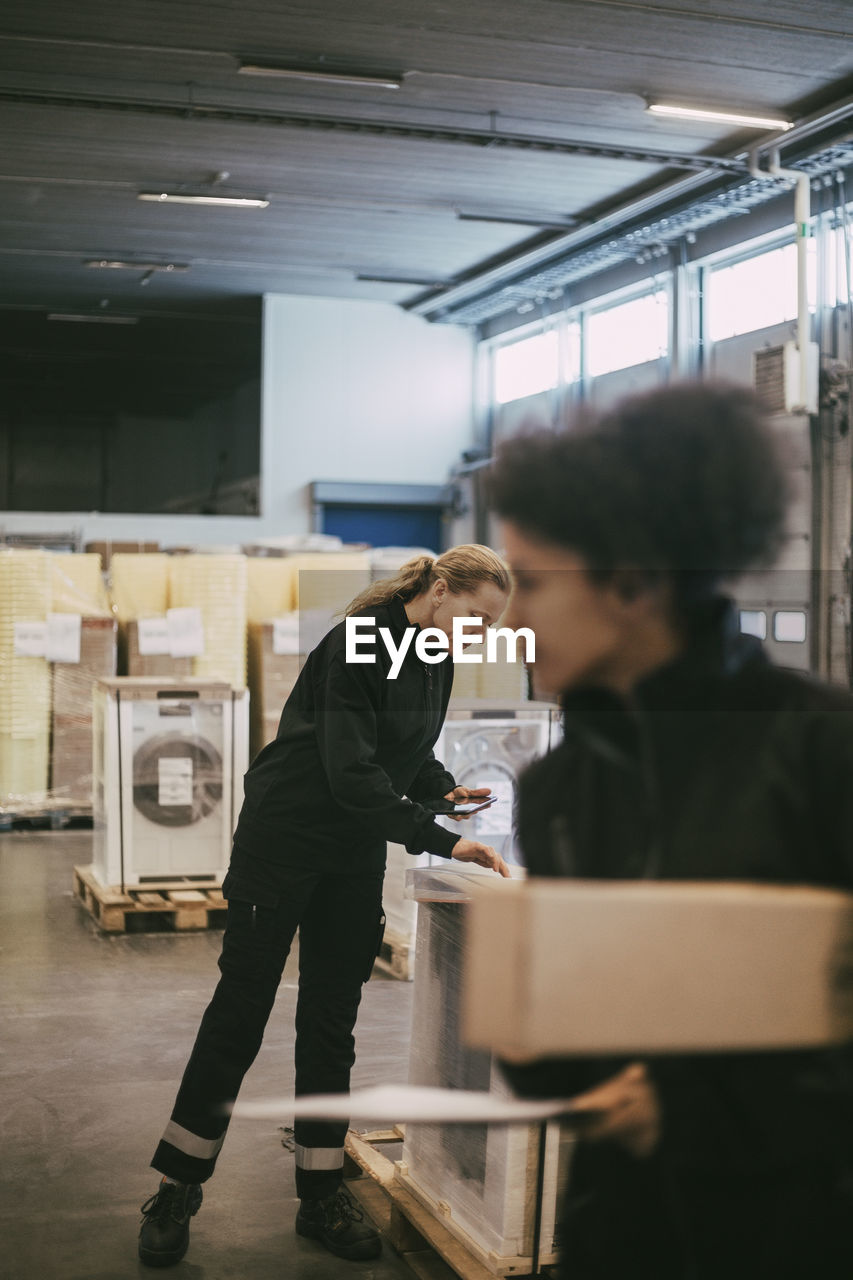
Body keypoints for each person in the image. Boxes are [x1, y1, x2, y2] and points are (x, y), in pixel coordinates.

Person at [488, 383, 853, 1280]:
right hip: (621, 1234)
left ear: (633, 583)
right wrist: (534, 1041)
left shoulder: (817, 752)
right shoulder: (558, 792)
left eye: (531, 583)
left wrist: (697, 1117)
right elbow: (572, 1064)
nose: (509, 622)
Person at [138, 544, 512, 1268]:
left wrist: (443, 787)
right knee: (239, 1014)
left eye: (493, 626)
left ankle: (320, 1197)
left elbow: (399, 750)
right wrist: (441, 839)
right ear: (439, 589)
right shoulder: (357, 643)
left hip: (349, 852)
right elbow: (348, 771)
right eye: (476, 616)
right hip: (285, 842)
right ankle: (178, 1186)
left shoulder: (434, 652)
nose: (482, 634)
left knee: (330, 1022)